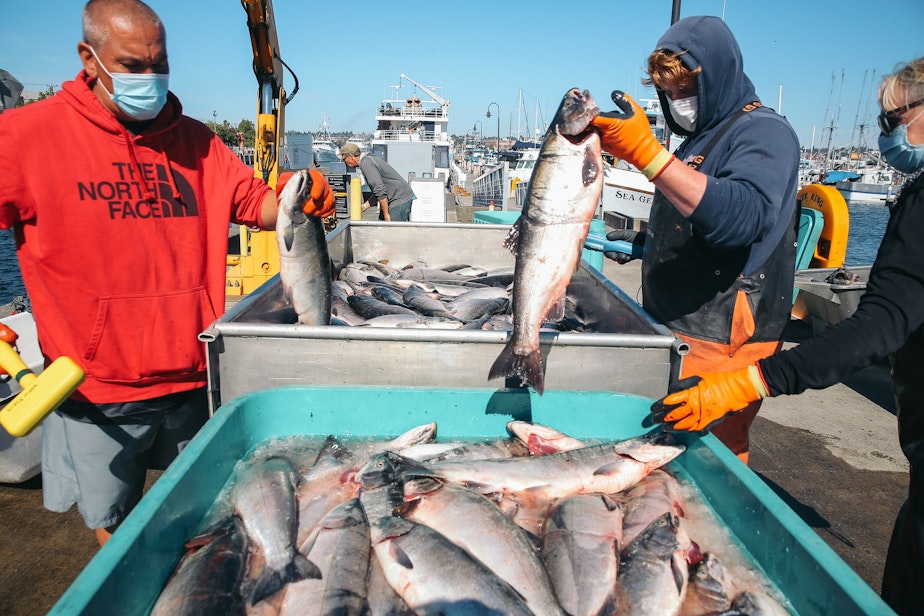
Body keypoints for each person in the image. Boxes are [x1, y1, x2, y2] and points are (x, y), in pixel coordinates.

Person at [0, 0, 334, 547]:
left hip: (193, 372)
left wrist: (298, 195)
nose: (149, 78)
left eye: (160, 64)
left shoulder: (197, 141)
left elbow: (258, 204)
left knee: (208, 514)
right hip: (95, 384)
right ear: (90, 58)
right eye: (133, 66)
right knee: (118, 526)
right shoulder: (26, 136)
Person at [649, 57, 924, 616]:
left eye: (897, 116)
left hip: (733, 331)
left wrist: (756, 379)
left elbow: (882, 322)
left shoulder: (764, 133)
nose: (887, 131)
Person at [590, 15, 801, 464]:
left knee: (705, 458)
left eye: (685, 89)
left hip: (722, 331)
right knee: (661, 449)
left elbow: (742, 218)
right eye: (667, 93)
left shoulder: (764, 132)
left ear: (719, 77)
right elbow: (696, 224)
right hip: (677, 321)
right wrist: (643, 242)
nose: (677, 101)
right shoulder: (700, 137)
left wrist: (648, 156)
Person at [340, 142, 415, 221]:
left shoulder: (366, 164)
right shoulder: (368, 160)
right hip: (396, 197)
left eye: (344, 159)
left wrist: (386, 214)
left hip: (398, 199)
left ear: (351, 156)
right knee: (381, 228)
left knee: (391, 231)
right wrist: (365, 206)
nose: (345, 162)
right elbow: (378, 192)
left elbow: (379, 190)